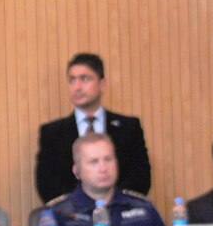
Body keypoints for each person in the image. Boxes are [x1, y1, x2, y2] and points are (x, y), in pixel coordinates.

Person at [35, 53, 152, 203]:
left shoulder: (129, 127)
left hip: (120, 213)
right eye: (72, 80)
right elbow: (46, 183)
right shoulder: (52, 133)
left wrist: (111, 203)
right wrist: (79, 206)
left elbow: (140, 177)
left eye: (85, 79)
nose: (77, 87)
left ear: (102, 84)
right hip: (72, 217)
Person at [43, 133, 170, 226]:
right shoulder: (57, 214)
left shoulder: (144, 208)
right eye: (94, 162)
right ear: (76, 171)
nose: (103, 168)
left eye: (108, 159)